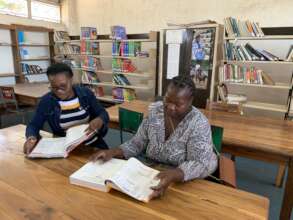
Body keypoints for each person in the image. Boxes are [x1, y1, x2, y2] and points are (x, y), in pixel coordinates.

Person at [90, 75, 218, 199]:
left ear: (190, 101)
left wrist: (175, 174)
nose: (170, 107)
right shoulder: (156, 111)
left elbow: (199, 163)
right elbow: (137, 142)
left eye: (178, 104)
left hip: (183, 181)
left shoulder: (198, 124)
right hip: (150, 173)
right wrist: (113, 152)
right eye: (167, 100)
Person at [24, 63, 109, 154]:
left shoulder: (85, 94)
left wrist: (100, 119)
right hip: (66, 148)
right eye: (54, 87)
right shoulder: (47, 101)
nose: (59, 91)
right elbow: (34, 125)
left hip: (93, 144)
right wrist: (31, 138)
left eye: (63, 86)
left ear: (71, 80)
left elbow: (103, 113)